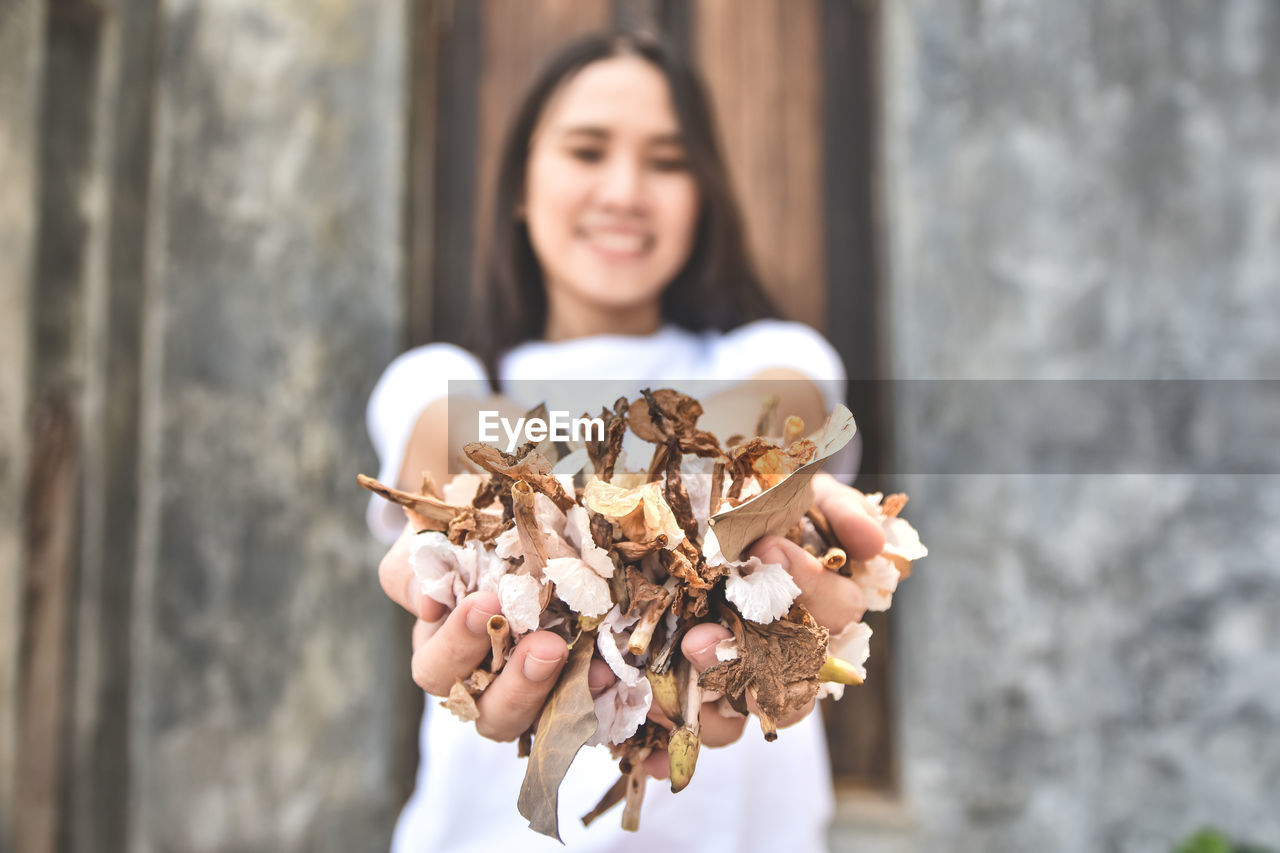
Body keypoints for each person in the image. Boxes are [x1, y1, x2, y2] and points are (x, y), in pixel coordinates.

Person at [366, 32, 887, 852]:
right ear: (519, 185)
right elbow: (450, 440)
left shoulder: (776, 356)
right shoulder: (440, 376)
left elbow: (775, 417)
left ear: (705, 196)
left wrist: (545, 497)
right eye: (586, 150)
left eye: (668, 161)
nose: (624, 190)